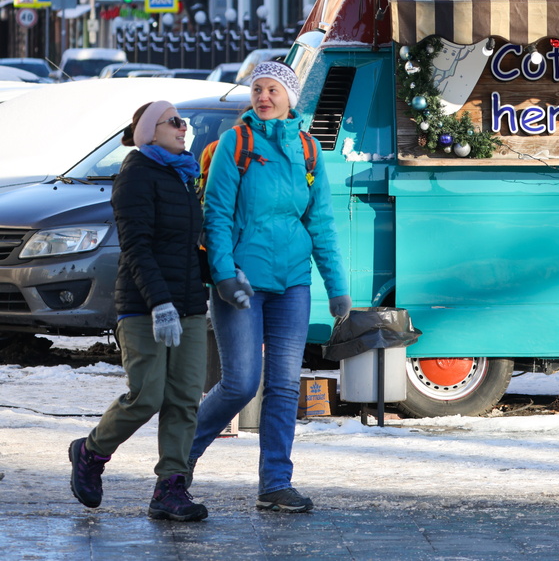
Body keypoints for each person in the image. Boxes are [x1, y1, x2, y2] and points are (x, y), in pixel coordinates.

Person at [189, 60, 349, 513]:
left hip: (293, 284)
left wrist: (336, 287)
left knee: (282, 387)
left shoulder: (308, 149)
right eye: (257, 88)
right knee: (240, 384)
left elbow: (321, 224)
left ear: (289, 98)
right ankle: (180, 463)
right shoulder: (234, 144)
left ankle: (275, 484)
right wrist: (223, 274)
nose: (262, 96)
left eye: (272, 89)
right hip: (242, 282)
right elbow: (216, 214)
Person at [69, 101, 210, 522]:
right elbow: (137, 247)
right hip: (144, 305)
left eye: (183, 122)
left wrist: (222, 276)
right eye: (175, 122)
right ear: (150, 131)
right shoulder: (136, 174)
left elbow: (185, 248)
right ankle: (90, 451)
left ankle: (170, 489)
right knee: (146, 395)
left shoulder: (183, 175)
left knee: (185, 400)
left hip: (188, 303)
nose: (184, 128)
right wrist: (159, 303)